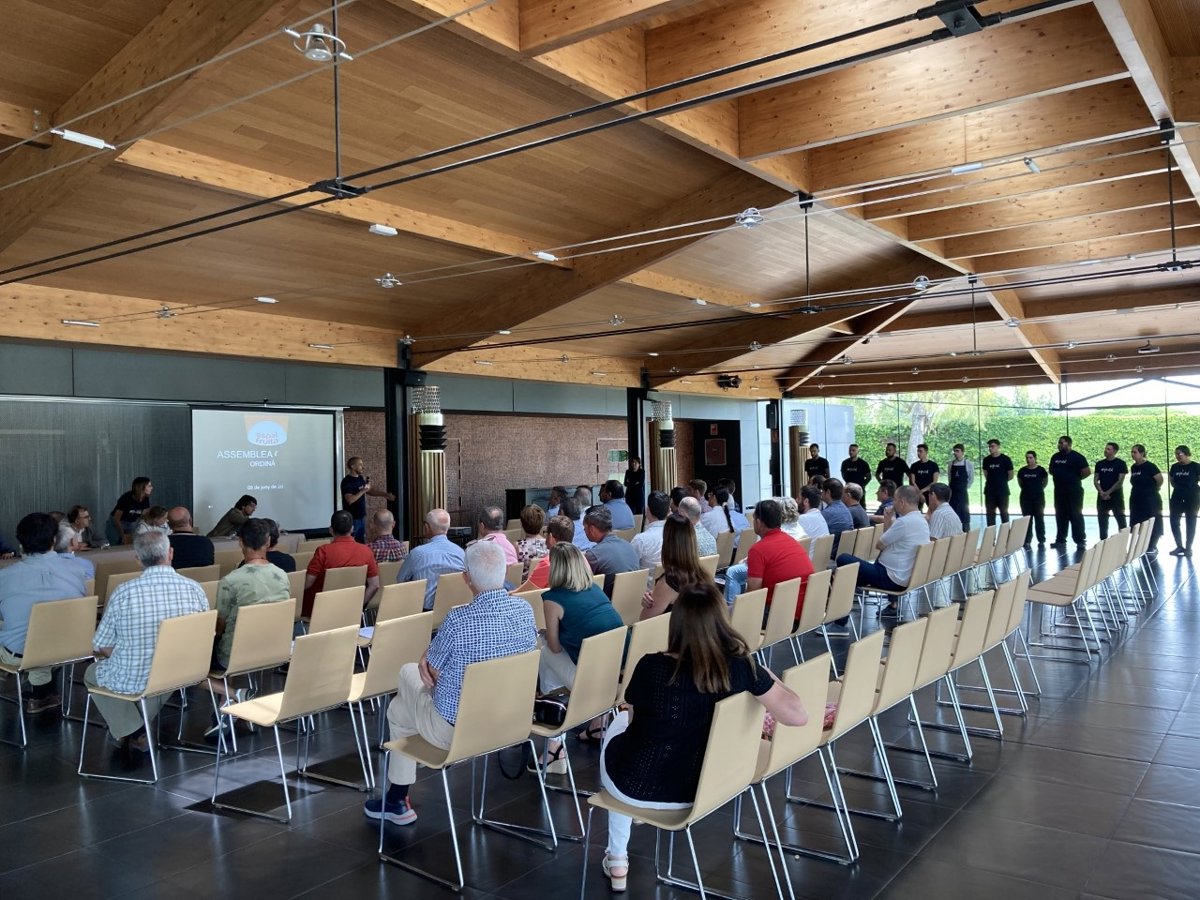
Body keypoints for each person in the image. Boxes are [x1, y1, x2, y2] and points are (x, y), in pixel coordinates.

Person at [597, 581, 808, 891]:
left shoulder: (651, 666)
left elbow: (634, 724)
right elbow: (798, 716)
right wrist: (763, 674)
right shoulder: (740, 668)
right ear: (722, 621)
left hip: (635, 787)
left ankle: (617, 859)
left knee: (618, 726)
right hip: (702, 788)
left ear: (676, 623)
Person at [363, 541, 537, 827]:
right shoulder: (525, 610)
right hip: (510, 721)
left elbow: (430, 670)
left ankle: (397, 799)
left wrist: (427, 656)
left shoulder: (458, 620)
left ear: (466, 577)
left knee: (405, 677)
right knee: (399, 710)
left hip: (456, 731)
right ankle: (396, 798)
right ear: (505, 572)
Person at [85, 530, 208, 752]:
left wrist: (129, 655)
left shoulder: (124, 593)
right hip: (180, 670)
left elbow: (102, 644)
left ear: (138, 560)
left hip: (136, 677)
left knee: (92, 673)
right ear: (170, 554)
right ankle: (135, 728)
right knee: (153, 678)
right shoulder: (194, 588)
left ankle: (134, 731)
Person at [0, 513, 88, 714]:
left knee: (20, 634)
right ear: (54, 540)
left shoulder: (4, 577)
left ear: (20, 543)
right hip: (71, 648)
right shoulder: (77, 570)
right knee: (44, 635)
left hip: (22, 654)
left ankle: (33, 687)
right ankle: (41, 693)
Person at [209, 519, 290, 699]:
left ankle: (231, 697)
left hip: (235, 655)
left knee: (192, 665)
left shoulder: (230, 581)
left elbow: (219, 626)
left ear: (240, 542)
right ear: (268, 542)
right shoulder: (282, 575)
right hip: (274, 648)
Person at [539, 542, 624, 695]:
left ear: (554, 568)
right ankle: (554, 695)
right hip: (617, 669)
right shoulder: (595, 588)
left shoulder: (552, 599)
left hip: (589, 682)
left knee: (545, 650)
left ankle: (550, 696)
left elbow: (555, 648)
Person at [836, 485, 930, 607]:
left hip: (890, 578)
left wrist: (888, 522)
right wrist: (888, 519)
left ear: (902, 502)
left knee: (843, 558)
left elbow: (880, 545)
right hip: (905, 576)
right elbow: (886, 541)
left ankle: (841, 608)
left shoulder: (904, 522)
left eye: (895, 499)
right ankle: (854, 591)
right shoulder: (921, 520)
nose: (893, 503)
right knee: (852, 572)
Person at [725, 499, 814, 617]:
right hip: (806, 613)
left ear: (758, 522)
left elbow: (753, 596)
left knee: (723, 615)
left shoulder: (758, 550)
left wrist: (733, 609)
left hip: (778, 617)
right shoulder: (791, 541)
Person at [302, 511, 380, 617]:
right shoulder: (366, 551)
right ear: (352, 529)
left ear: (331, 530)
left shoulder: (323, 551)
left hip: (320, 611)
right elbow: (374, 585)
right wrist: (357, 605)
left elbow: (308, 583)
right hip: (351, 610)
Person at [640, 514, 710, 619]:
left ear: (667, 543)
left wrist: (646, 603)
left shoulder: (668, 583)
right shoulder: (703, 575)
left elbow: (644, 619)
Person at [396, 508, 465, 610]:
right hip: (456, 610)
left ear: (426, 527)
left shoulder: (417, 554)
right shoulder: (461, 553)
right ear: (448, 527)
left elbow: (400, 580)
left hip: (424, 613)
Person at [583, 506, 640, 597]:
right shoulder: (629, 546)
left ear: (592, 529)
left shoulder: (593, 555)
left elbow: (582, 584)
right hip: (633, 599)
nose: (584, 530)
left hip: (607, 603)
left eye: (584, 527)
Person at [522, 515, 587, 590]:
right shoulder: (582, 558)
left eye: (546, 533)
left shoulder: (548, 563)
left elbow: (524, 592)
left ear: (550, 537)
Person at [341, 456, 395, 543]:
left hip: (361, 517)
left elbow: (369, 491)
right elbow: (350, 500)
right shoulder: (347, 481)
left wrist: (385, 494)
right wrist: (363, 490)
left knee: (361, 541)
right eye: (360, 464)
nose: (363, 467)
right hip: (352, 519)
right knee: (353, 542)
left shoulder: (360, 478)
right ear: (352, 466)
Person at [1049, 435, 1090, 548]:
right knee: (1060, 515)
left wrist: (1074, 479)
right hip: (1059, 491)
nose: (1059, 445)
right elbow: (1051, 470)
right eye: (1059, 443)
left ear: (1069, 444)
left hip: (1074, 492)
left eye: (1062, 443)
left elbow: (1086, 472)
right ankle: (1060, 540)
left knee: (1075, 515)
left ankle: (1080, 540)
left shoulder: (1077, 457)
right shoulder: (1055, 457)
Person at [1129, 444, 1163, 553]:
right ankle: (1142, 544)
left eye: (1135, 452)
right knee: (1138, 521)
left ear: (1142, 453)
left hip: (1150, 499)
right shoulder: (1134, 467)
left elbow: (1159, 479)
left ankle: (1152, 545)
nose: (1132, 454)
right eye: (1132, 452)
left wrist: (1154, 489)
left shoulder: (1150, 466)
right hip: (1137, 499)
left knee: (1153, 520)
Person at [1168, 445, 1200, 557]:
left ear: (1186, 454)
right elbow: (1172, 480)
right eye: (1176, 454)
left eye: (1179, 454)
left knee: (1190, 522)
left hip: (1192, 498)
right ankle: (1179, 546)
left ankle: (1188, 548)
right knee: (1174, 521)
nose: (1177, 456)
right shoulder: (1174, 467)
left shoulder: (1196, 466)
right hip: (1177, 497)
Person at [1094, 442, 1128, 540]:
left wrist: (1108, 492)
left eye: (1108, 449)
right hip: (1102, 497)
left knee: (1121, 519)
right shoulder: (1099, 464)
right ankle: (1103, 542)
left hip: (1116, 497)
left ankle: (1123, 541)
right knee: (1102, 521)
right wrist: (1101, 492)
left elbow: (1120, 481)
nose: (1105, 451)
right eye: (1105, 448)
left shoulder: (1121, 464)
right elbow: (1096, 480)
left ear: (1115, 451)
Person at [631, 490, 670, 570]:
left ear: (647, 510)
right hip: (670, 577)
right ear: (668, 512)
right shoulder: (676, 535)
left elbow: (629, 565)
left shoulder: (640, 540)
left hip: (646, 578)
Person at [1017, 451, 1048, 547]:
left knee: (1039, 519)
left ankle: (1041, 539)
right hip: (1025, 499)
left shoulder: (1041, 470)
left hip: (1038, 499)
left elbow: (1045, 481)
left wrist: (1039, 489)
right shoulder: (1022, 471)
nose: (1028, 460)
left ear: (1035, 458)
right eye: (1027, 458)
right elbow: (1020, 483)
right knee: (1027, 520)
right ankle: (1027, 540)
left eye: (1030, 458)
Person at [110, 476, 153, 544]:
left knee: (132, 542)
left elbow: (145, 516)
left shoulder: (145, 499)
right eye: (149, 486)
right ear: (141, 487)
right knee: (116, 542)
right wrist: (122, 535)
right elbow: (116, 519)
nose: (152, 488)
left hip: (131, 522)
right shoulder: (126, 498)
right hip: (117, 522)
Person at [981, 439, 1014, 526]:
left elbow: (1011, 475)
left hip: (1002, 491)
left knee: (1004, 513)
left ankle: (1006, 533)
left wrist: (1001, 481)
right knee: (990, 514)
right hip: (989, 492)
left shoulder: (1006, 459)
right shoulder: (986, 460)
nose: (990, 448)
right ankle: (991, 534)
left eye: (992, 446)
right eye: (989, 447)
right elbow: (986, 474)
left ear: (998, 447)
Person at [820, 478, 854, 558]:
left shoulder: (826, 513)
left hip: (829, 556)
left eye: (822, 491)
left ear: (828, 492)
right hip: (843, 554)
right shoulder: (846, 509)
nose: (821, 493)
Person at [515, 504, 548, 575]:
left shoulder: (518, 545)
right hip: (544, 580)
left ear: (521, 524)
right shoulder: (548, 544)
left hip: (525, 581)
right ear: (542, 524)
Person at [947, 444, 974, 531]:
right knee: (953, 510)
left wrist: (965, 487)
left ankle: (966, 531)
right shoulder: (951, 464)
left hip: (963, 492)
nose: (955, 453)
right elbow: (950, 478)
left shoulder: (968, 463)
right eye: (954, 451)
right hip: (953, 492)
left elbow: (971, 478)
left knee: (964, 511)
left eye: (957, 451)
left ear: (962, 452)